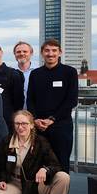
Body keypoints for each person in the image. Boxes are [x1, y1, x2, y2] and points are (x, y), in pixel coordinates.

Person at [0, 110, 70, 194]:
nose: (20, 127)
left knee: (63, 177)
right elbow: (0, 166)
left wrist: (45, 169)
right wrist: (1, 180)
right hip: (14, 182)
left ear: (32, 125)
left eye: (24, 123)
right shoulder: (6, 141)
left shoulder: (41, 142)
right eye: (17, 123)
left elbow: (55, 165)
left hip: (35, 184)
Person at [27, 39, 78, 173]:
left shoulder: (70, 72)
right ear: (42, 53)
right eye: (47, 50)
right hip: (39, 126)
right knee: (38, 161)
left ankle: (60, 193)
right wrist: (35, 119)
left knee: (61, 161)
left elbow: (71, 100)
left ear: (60, 52)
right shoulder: (35, 74)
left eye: (54, 50)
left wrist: (52, 119)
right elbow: (30, 100)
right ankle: (39, 193)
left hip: (61, 125)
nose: (50, 54)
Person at [13, 41, 36, 109]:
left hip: (35, 115)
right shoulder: (9, 73)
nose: (21, 54)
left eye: (25, 51)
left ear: (31, 53)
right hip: (14, 114)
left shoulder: (38, 73)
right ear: (14, 54)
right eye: (18, 52)